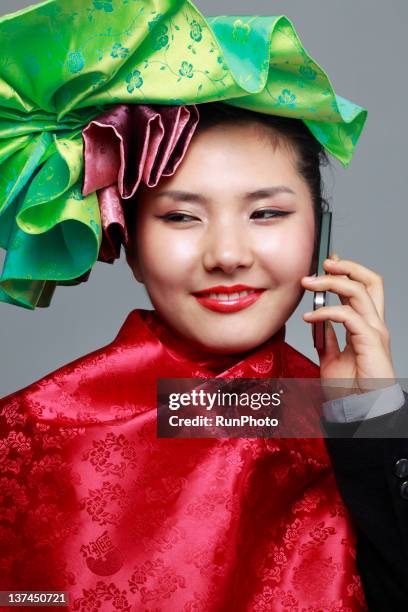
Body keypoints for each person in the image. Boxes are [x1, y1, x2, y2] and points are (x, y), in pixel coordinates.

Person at [1, 2, 407, 611]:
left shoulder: (364, 427)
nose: (226, 253)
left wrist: (370, 418)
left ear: (319, 236)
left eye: (266, 213)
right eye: (181, 216)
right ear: (127, 241)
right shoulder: (26, 437)